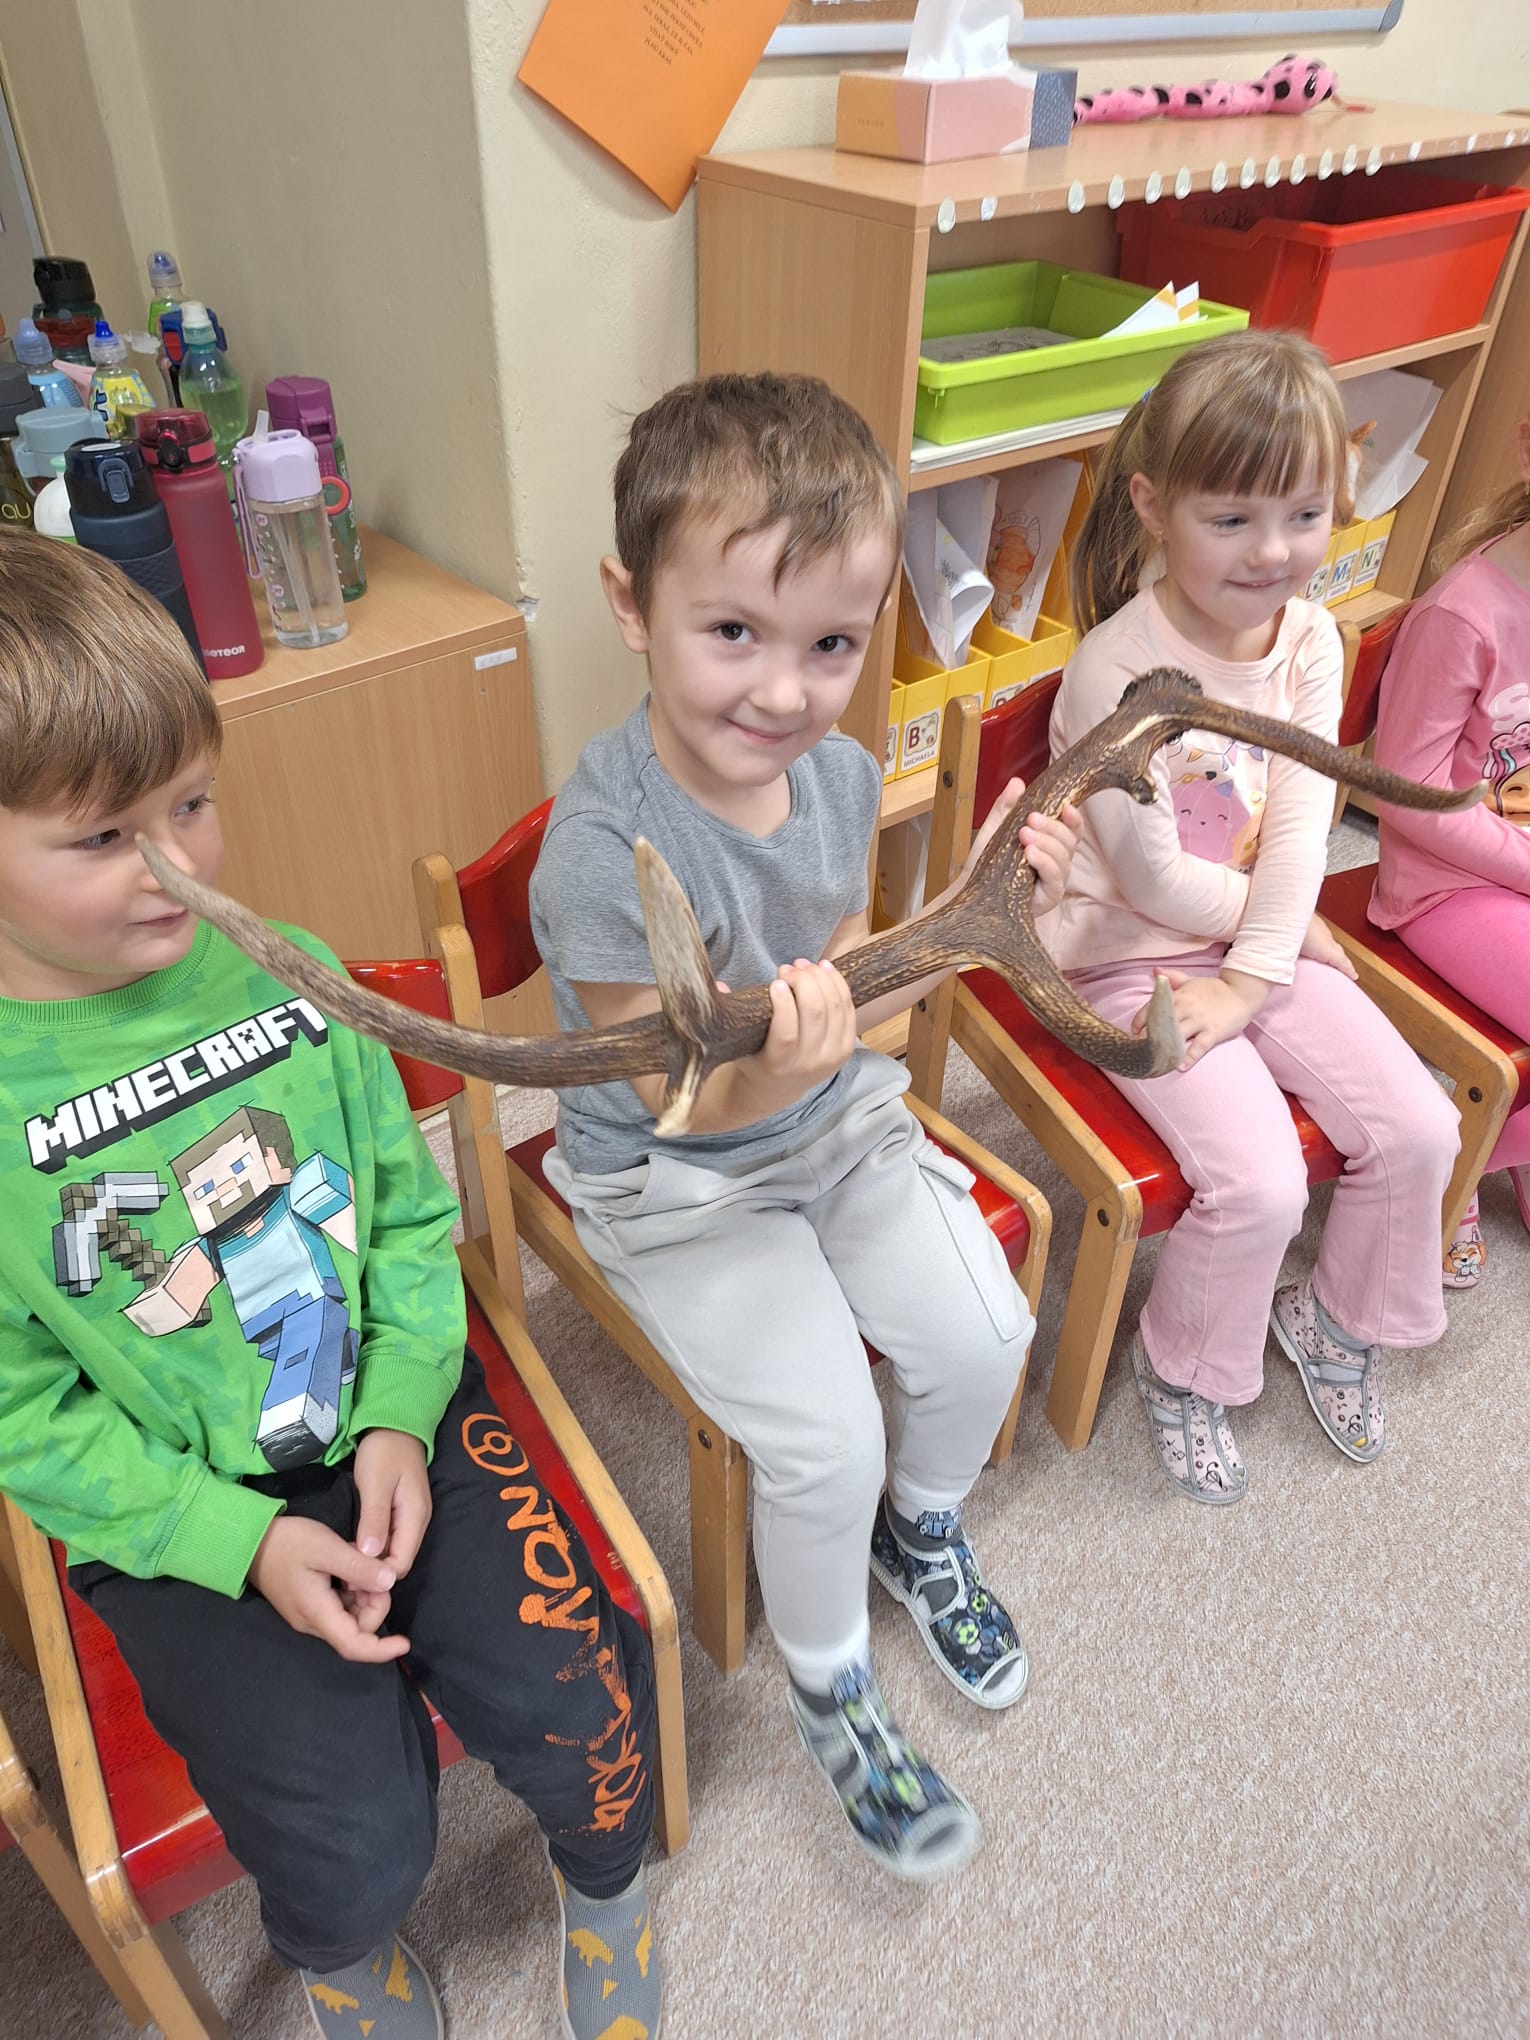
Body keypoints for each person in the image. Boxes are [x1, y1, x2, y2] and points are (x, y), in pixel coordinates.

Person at [0, 534, 661, 2040]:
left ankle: (610, 1887)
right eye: (103, 837)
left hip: (389, 1401)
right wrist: (235, 1542)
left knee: (575, 1693)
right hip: (175, 1509)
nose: (176, 865)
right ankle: (344, 1960)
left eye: (191, 804)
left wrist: (401, 1415)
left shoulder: (291, 971)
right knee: (349, 1844)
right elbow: (25, 1422)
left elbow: (411, 1225)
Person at [529, 372, 1080, 1881]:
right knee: (824, 1442)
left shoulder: (836, 775)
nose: (784, 692)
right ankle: (830, 1681)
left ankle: (925, 1526)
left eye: (831, 644)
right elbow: (680, 1100)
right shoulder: (599, 860)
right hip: (675, 1183)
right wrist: (794, 1059)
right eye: (734, 632)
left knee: (985, 1331)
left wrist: (977, 915)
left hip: (830, 1121)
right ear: (631, 605)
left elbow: (846, 949)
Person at [1046, 330, 1459, 1503]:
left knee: (1421, 1128)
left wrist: (1264, 960)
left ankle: (1334, 1318)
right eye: (1231, 519)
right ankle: (1183, 1368)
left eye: (1306, 515)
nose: (1275, 552)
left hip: (1254, 940)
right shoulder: (1117, 672)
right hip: (1129, 955)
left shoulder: (1315, 638)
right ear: (1154, 505)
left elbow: (1303, 826)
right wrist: (1278, 946)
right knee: (1263, 1183)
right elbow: (1152, 884)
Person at [1369, 402, 1530, 1288]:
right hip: (1444, 884)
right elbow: (1411, 797)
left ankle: (1505, 1141)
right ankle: (1449, 1159)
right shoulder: (1465, 615)